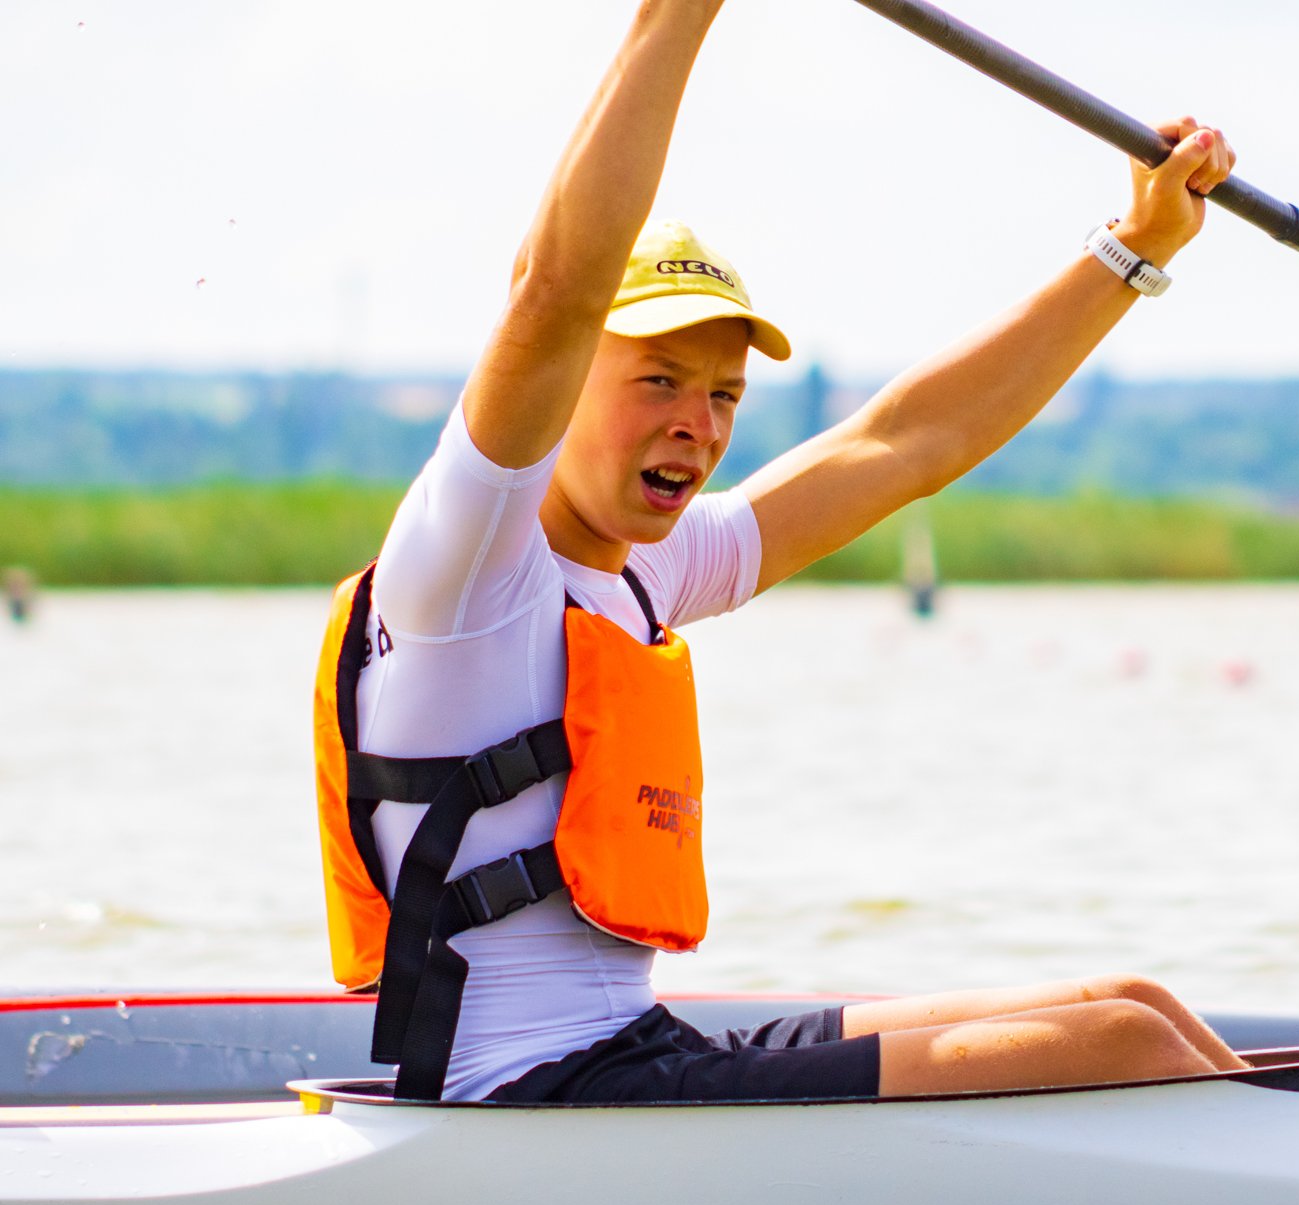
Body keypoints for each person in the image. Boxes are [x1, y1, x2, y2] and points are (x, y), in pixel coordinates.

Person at [313, 0, 1246, 1103]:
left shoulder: (647, 571)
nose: (695, 427)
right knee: (1124, 1058)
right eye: (657, 382)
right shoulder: (464, 563)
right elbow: (556, 291)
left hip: (624, 1050)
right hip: (519, 1090)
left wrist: (1130, 250)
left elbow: (907, 441)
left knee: (1129, 1007)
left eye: (721, 396)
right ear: (564, 387)